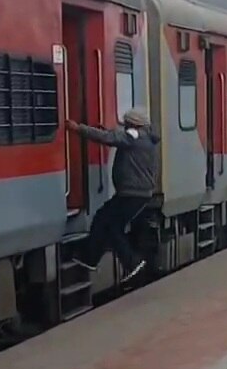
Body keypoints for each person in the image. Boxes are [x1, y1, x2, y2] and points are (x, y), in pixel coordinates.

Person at [67, 107, 160, 283]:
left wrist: (78, 129)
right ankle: (90, 258)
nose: (125, 126)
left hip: (131, 193)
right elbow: (116, 136)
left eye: (126, 123)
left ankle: (131, 262)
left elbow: (109, 138)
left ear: (133, 124)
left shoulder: (134, 136)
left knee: (111, 225)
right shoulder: (146, 138)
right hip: (139, 194)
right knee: (104, 219)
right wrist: (107, 131)